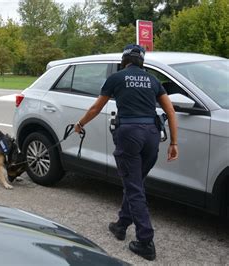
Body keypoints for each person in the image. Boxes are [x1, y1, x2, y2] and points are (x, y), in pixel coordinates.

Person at [74, 44, 178, 261]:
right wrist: (174, 143)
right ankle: (121, 225)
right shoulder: (153, 80)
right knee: (135, 183)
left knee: (133, 187)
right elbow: (170, 110)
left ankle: (145, 241)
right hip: (152, 134)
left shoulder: (116, 78)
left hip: (129, 134)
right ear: (142, 61)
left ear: (124, 60)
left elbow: (95, 108)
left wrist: (80, 123)